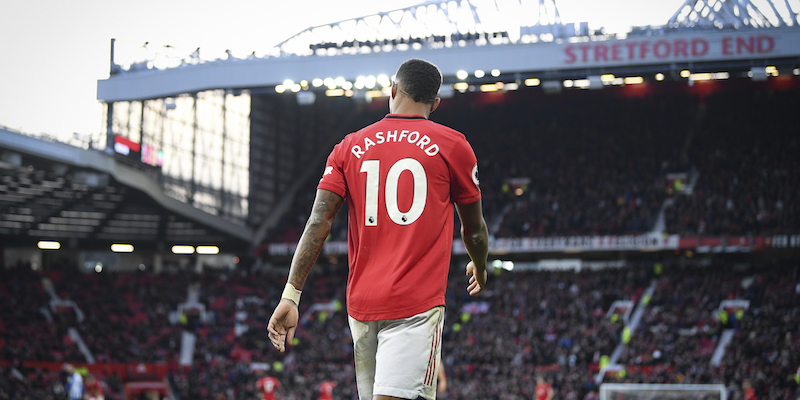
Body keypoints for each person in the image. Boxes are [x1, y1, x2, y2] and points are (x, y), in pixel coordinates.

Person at [268, 58, 489, 400]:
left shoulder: (349, 146)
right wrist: (479, 262)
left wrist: (291, 294)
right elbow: (473, 230)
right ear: (435, 103)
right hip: (414, 305)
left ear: (392, 90)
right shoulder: (452, 145)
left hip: (361, 307)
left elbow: (318, 222)